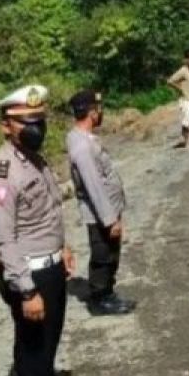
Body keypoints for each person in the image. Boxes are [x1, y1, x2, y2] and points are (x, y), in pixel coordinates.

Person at [0, 84, 77, 376]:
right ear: (6, 125)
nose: (36, 127)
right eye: (25, 121)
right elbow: (5, 240)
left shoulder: (34, 160)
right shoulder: (0, 176)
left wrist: (61, 248)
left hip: (48, 265)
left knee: (49, 336)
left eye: (39, 119)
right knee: (34, 340)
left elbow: (47, 212)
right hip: (28, 273)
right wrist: (27, 290)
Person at [66, 89, 134, 317]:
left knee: (110, 253)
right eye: (99, 109)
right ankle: (100, 299)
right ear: (92, 113)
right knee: (103, 256)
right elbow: (94, 186)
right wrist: (110, 219)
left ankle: (107, 293)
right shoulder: (83, 147)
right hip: (100, 214)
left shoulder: (83, 139)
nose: (101, 112)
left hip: (105, 211)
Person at [168, 49, 189, 147]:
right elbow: (170, 81)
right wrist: (180, 89)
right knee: (187, 123)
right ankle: (186, 142)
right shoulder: (183, 70)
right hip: (187, 100)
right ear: (186, 60)